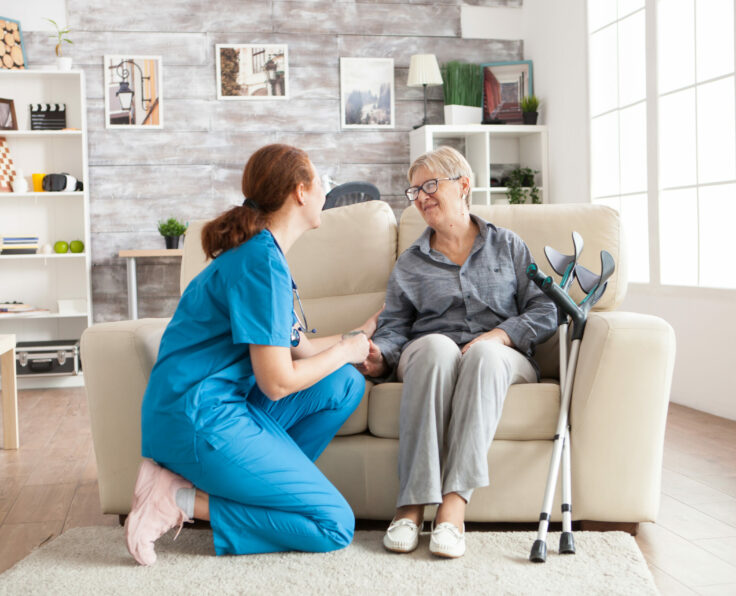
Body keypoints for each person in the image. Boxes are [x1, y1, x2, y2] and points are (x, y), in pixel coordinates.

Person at [125, 144, 376, 566]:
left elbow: (307, 350)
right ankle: (179, 499)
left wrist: (363, 336)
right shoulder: (261, 264)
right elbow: (276, 384)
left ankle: (262, 488)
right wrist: (348, 350)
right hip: (198, 418)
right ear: (301, 191)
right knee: (334, 525)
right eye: (322, 183)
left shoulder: (264, 255)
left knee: (345, 382)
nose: (325, 194)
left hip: (213, 409)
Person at [358, 146, 558, 559]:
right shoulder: (410, 263)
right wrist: (380, 356)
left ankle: (452, 508)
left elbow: (545, 309)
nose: (422, 197)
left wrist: (501, 336)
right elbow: (395, 329)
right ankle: (410, 506)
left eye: (431, 185)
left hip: (501, 356)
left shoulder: (508, 246)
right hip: (430, 353)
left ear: (464, 185)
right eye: (415, 191)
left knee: (482, 355)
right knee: (436, 347)